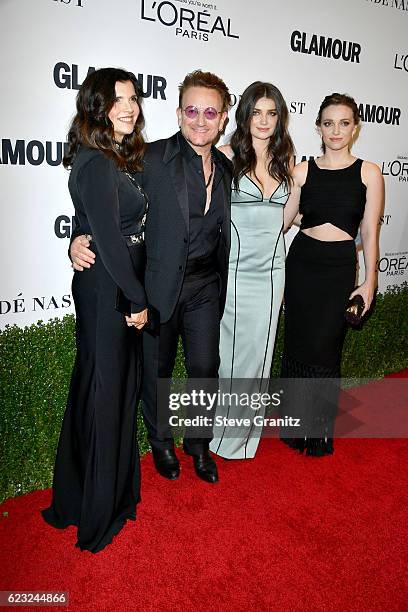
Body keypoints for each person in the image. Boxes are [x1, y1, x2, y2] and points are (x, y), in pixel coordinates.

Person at [70, 70, 233, 483]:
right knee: (156, 373)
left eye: (210, 111)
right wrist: (76, 236)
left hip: (204, 287)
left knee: (205, 368)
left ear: (223, 117)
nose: (201, 119)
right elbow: (102, 204)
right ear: (179, 114)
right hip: (158, 285)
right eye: (192, 110)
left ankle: (198, 445)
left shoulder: (228, 168)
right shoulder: (151, 158)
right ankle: (160, 443)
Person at [42, 68, 148, 552]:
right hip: (110, 289)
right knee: (106, 392)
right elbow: (106, 239)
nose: (128, 107)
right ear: (95, 106)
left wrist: (75, 235)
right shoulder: (98, 162)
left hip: (109, 283)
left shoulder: (114, 157)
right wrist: (137, 298)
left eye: (133, 98)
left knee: (102, 388)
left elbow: (95, 223)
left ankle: (84, 495)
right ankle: (98, 510)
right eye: (116, 100)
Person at [281, 92, 383, 456]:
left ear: (355, 128)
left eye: (343, 123)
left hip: (339, 267)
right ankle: (293, 428)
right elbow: (284, 219)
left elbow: (370, 231)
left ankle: (317, 433)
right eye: (328, 123)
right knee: (297, 342)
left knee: (326, 348)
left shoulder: (369, 172)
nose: (335, 130)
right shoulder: (302, 171)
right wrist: (286, 189)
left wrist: (369, 280)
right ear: (318, 128)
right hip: (303, 262)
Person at [210, 81, 294, 459]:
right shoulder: (224, 155)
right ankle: (218, 434)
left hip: (272, 272)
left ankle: (243, 439)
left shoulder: (286, 162)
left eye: (271, 113)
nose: (263, 121)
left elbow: (284, 218)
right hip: (233, 271)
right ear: (244, 114)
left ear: (279, 119)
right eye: (256, 112)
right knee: (229, 355)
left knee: (259, 355)